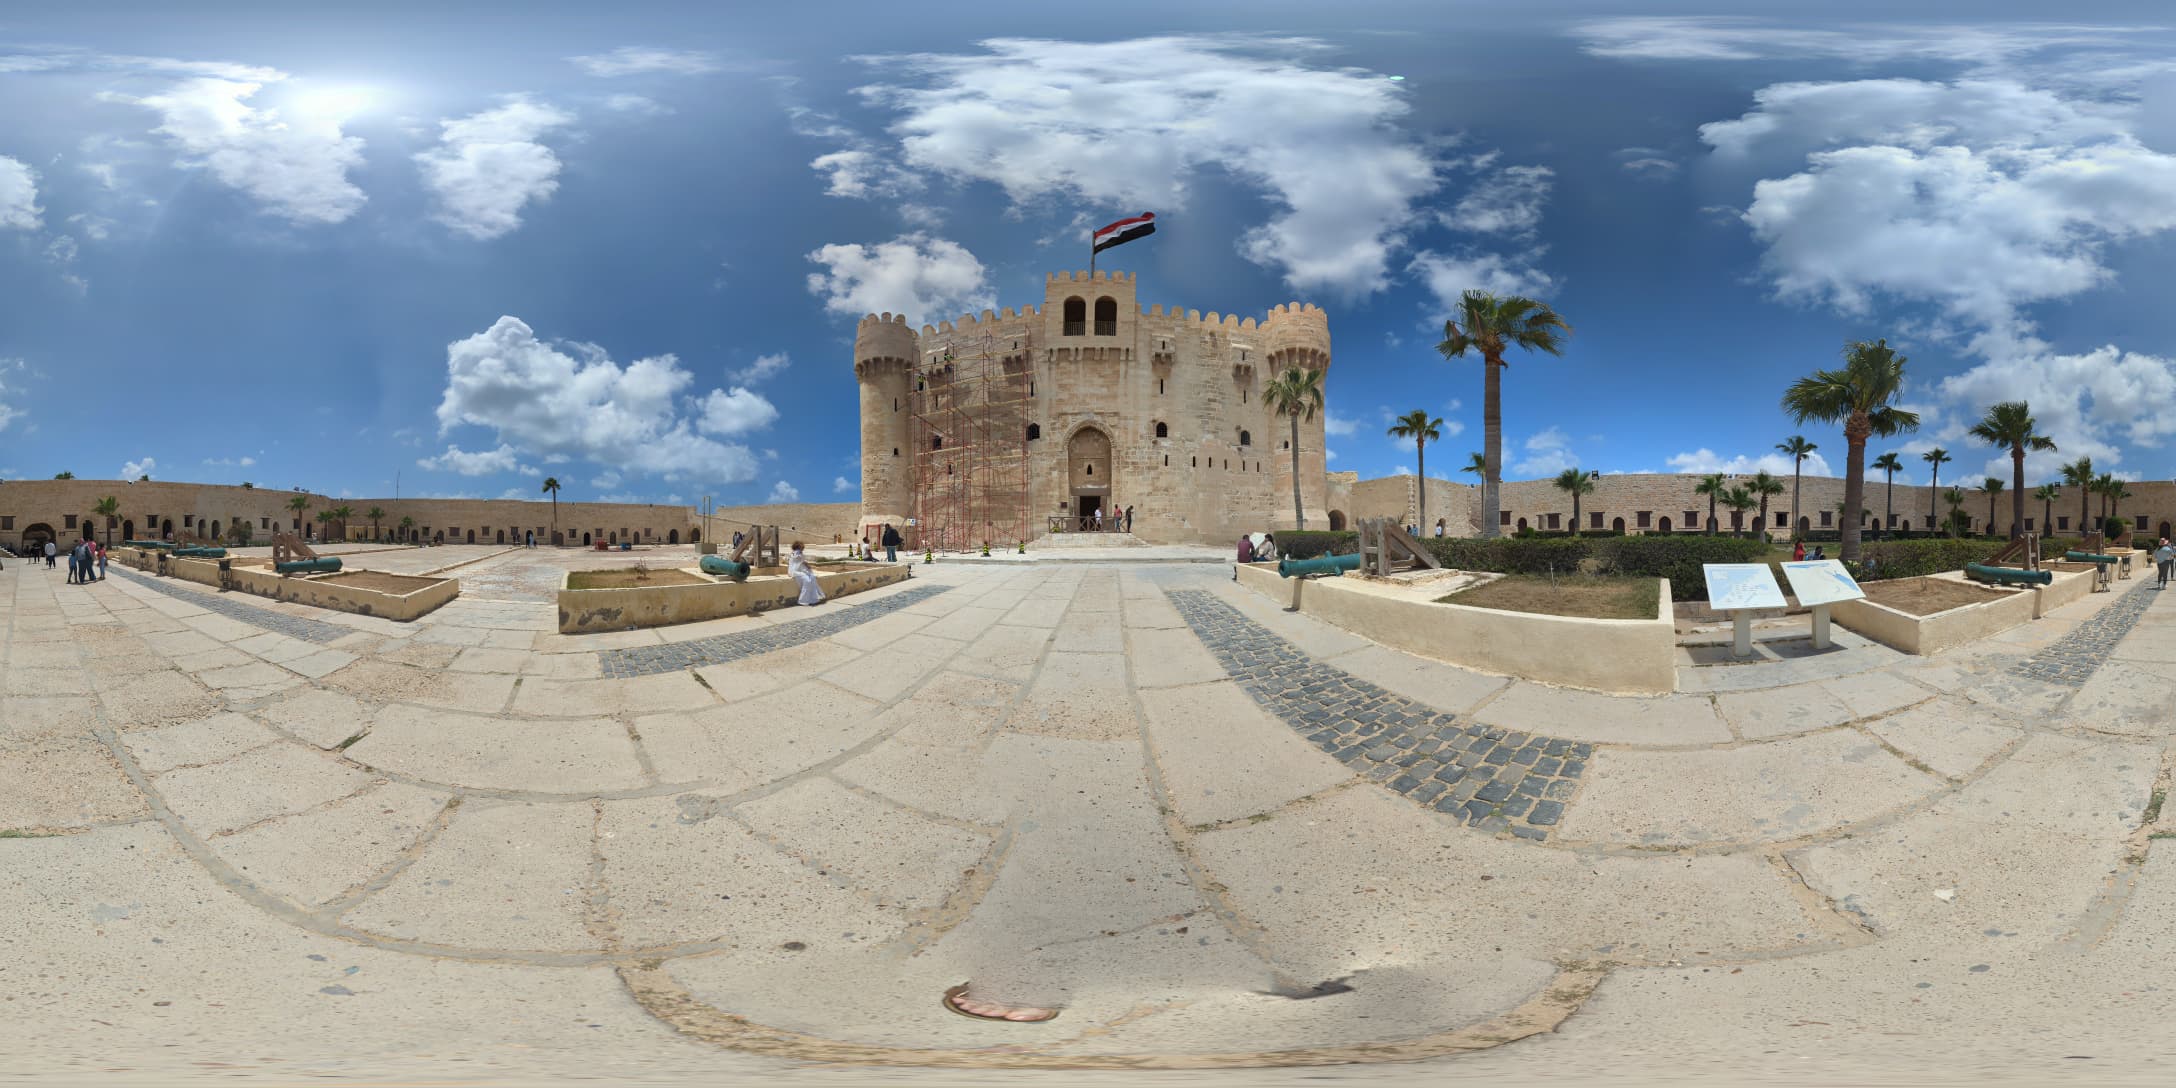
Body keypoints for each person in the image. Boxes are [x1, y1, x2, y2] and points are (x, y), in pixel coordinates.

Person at [787, 541, 825, 606]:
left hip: (800, 570)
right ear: (798, 547)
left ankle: (812, 598)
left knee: (811, 578)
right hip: (794, 571)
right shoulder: (795, 553)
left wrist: (807, 566)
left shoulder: (799, 553)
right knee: (807, 580)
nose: (803, 549)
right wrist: (805, 564)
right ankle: (803, 600)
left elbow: (802, 561)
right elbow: (798, 561)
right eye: (801, 547)